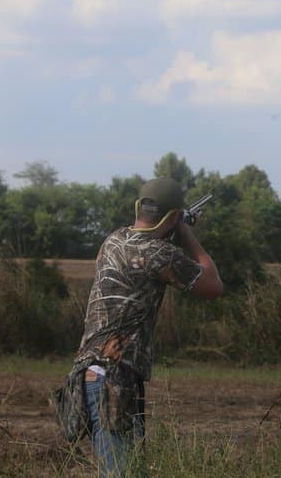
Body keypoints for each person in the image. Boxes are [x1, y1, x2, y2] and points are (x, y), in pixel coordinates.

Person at [73, 177, 223, 476]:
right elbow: (213, 286)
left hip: (90, 373)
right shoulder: (159, 254)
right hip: (115, 377)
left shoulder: (113, 239)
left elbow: (122, 262)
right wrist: (186, 234)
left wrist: (171, 231)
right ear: (172, 216)